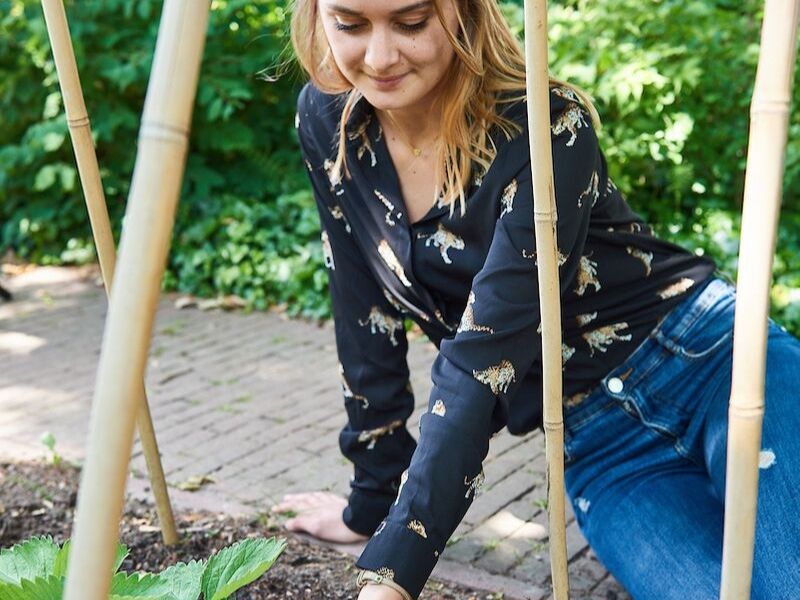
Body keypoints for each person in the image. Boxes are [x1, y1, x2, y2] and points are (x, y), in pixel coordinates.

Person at [272, 0, 800, 597]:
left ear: (464, 12)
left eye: (412, 22)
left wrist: (392, 574)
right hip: (601, 446)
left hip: (715, 365)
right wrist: (369, 503)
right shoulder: (329, 121)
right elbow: (360, 308)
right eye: (350, 25)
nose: (380, 55)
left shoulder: (545, 124)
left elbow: (483, 358)